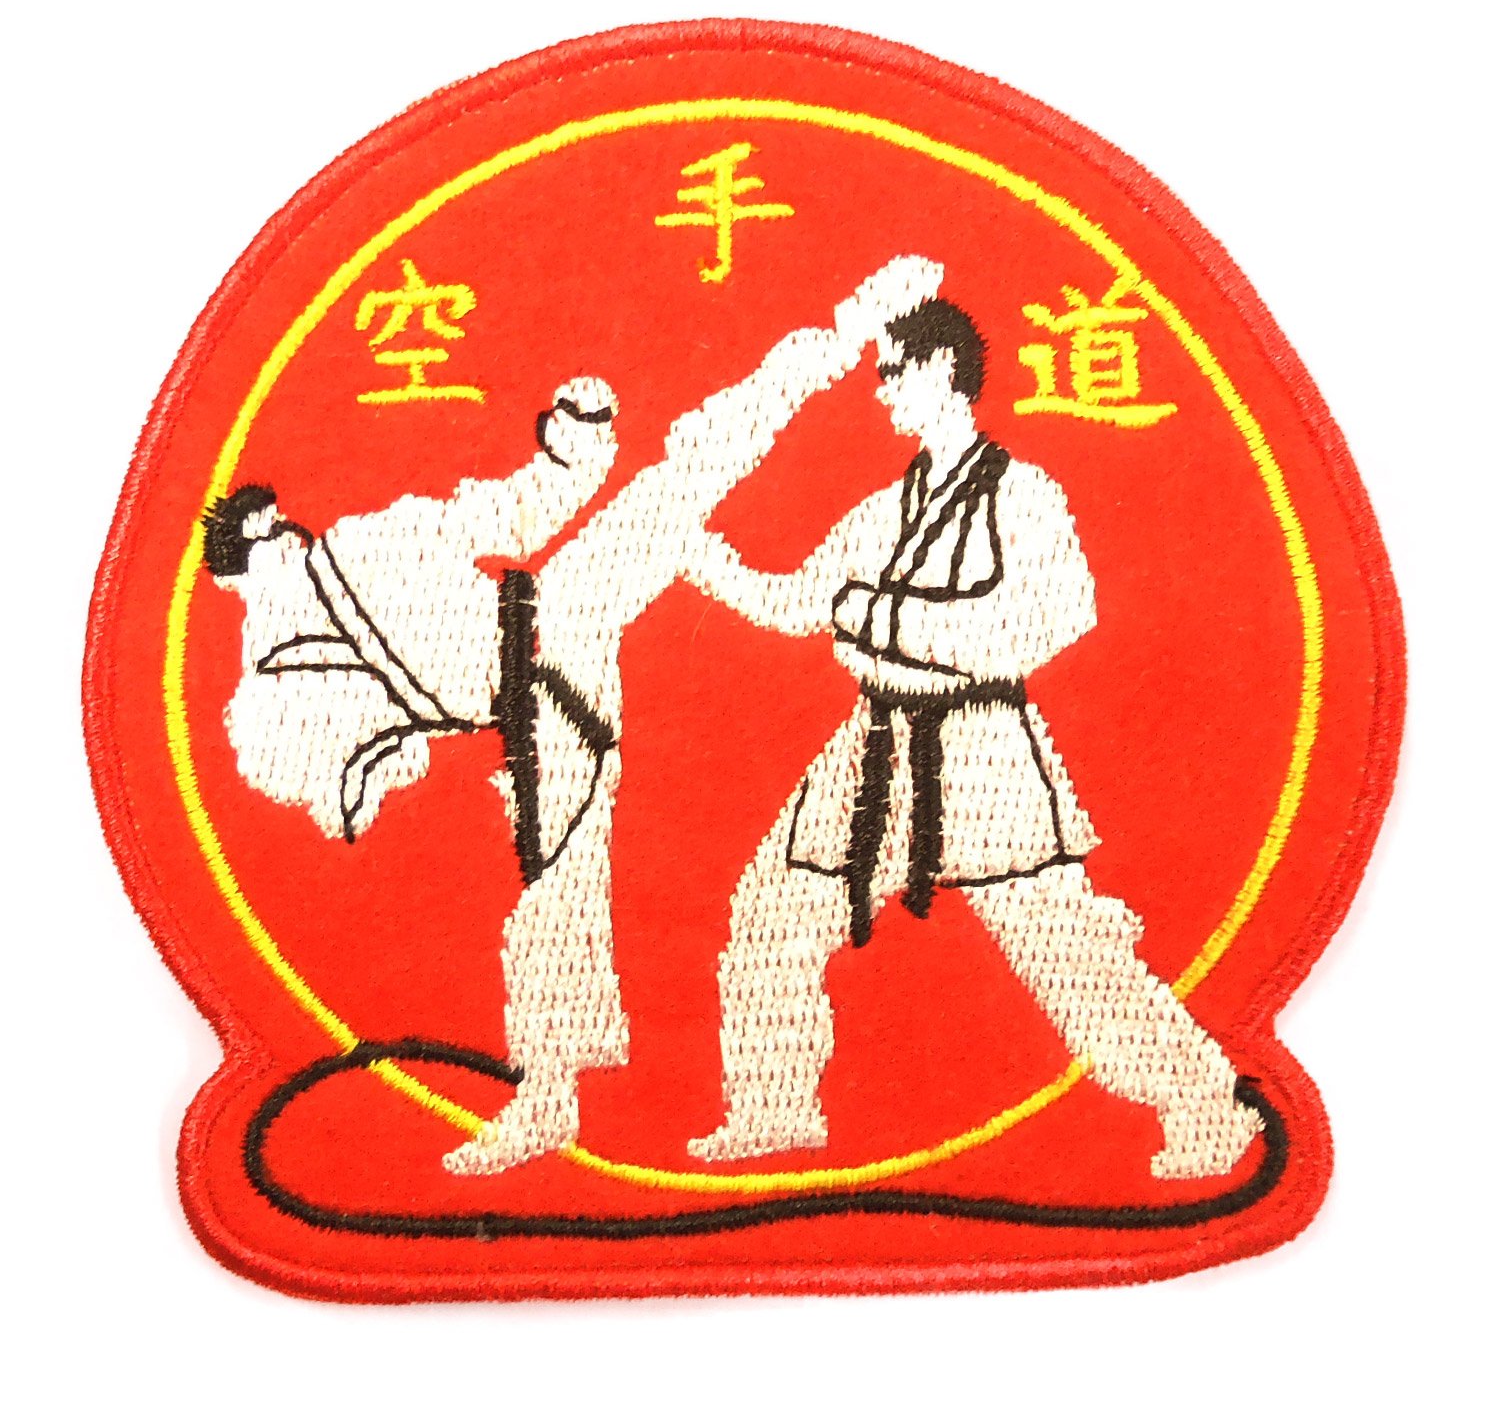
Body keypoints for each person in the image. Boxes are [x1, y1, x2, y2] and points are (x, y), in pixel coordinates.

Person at [683, 295, 1263, 1181]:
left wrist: (874, 615)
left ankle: (1204, 1107)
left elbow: (1047, 617)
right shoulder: (886, 507)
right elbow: (800, 600)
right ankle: (772, 1110)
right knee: (773, 915)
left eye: (893, 372)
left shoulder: (1024, 493)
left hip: (982, 749)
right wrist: (703, 559)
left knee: (1067, 950)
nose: (881, 391)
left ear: (942, 370)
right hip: (873, 745)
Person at [440, 255, 947, 1174]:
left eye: (597, 414)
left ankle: (553, 1092)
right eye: (568, 415)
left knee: (558, 895)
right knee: (548, 896)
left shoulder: (667, 486)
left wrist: (858, 319)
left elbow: (765, 402)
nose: (584, 422)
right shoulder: (505, 506)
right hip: (509, 678)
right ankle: (554, 1091)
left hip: (573, 701)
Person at [204, 379, 620, 843]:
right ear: (263, 545)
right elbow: (505, 517)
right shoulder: (354, 547)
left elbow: (363, 796)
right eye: (276, 526)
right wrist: (574, 456)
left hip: (522, 713)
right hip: (545, 645)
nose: (290, 530)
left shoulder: (262, 690)